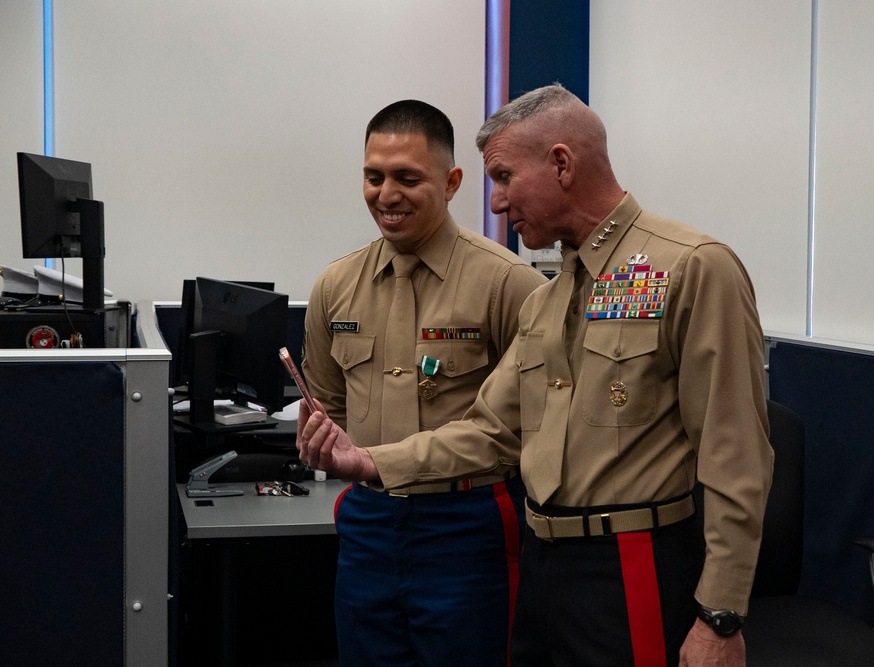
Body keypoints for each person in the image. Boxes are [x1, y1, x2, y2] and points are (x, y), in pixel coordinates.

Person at [299, 85, 773, 667]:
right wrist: (368, 462)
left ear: (561, 163)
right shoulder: (551, 298)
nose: (495, 203)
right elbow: (491, 429)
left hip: (630, 559)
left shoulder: (691, 266)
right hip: (545, 566)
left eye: (503, 177)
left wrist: (719, 616)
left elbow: (737, 455)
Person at [300, 99, 546, 666]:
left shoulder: (510, 284)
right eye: (373, 177)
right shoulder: (336, 286)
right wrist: (321, 443)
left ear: (453, 181)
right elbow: (328, 407)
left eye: (408, 178)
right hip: (368, 522)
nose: (387, 195)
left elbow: (523, 428)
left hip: (467, 526)